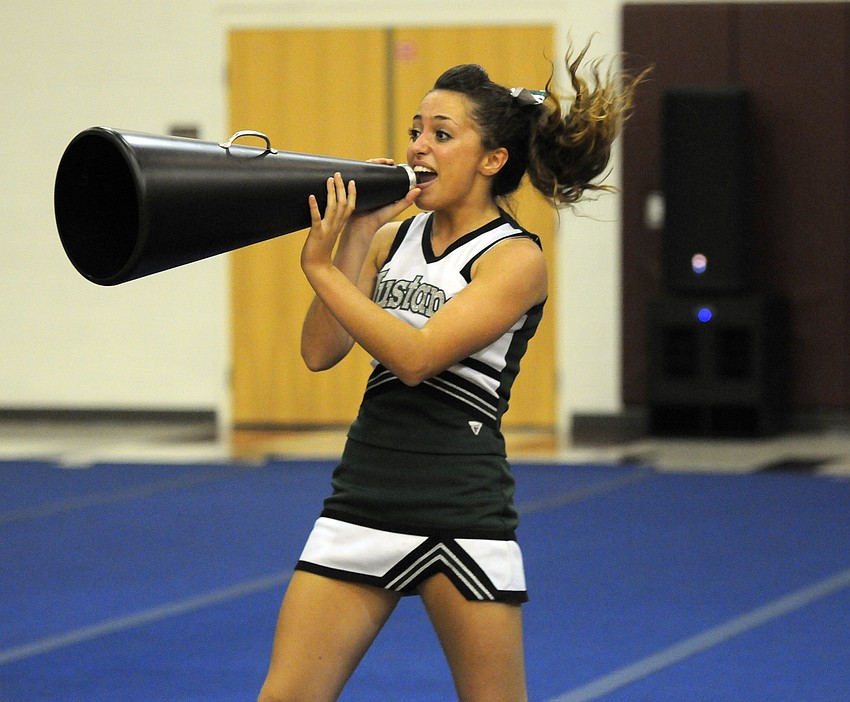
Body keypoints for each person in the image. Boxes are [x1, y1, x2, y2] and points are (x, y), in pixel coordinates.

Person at [258, 41, 645, 702]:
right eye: (415, 131)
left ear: (493, 159)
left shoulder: (515, 259)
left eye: (441, 134)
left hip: (459, 505)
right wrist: (355, 238)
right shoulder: (390, 240)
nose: (418, 147)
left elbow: (415, 359)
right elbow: (320, 351)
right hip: (364, 496)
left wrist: (322, 270)